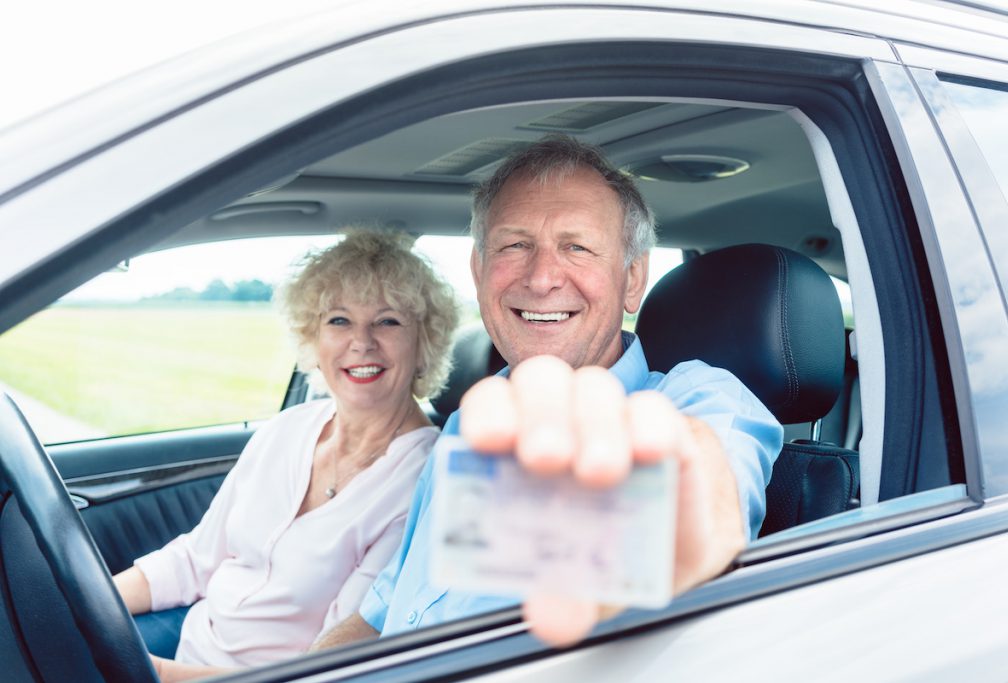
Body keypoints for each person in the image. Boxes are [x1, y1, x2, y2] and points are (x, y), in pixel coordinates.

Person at [313, 135, 783, 649]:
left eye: (576, 247)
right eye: (515, 245)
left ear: (631, 279)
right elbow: (383, 615)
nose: (540, 279)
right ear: (478, 271)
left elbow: (705, 496)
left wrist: (658, 527)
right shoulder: (465, 425)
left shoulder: (699, 400)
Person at [113, 230, 459, 680]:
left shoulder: (423, 479)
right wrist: (86, 601)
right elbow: (195, 560)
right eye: (339, 320)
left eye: (388, 321)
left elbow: (330, 659)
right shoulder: (286, 430)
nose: (362, 342)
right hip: (190, 638)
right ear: (312, 339)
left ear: (424, 344)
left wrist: (154, 674)